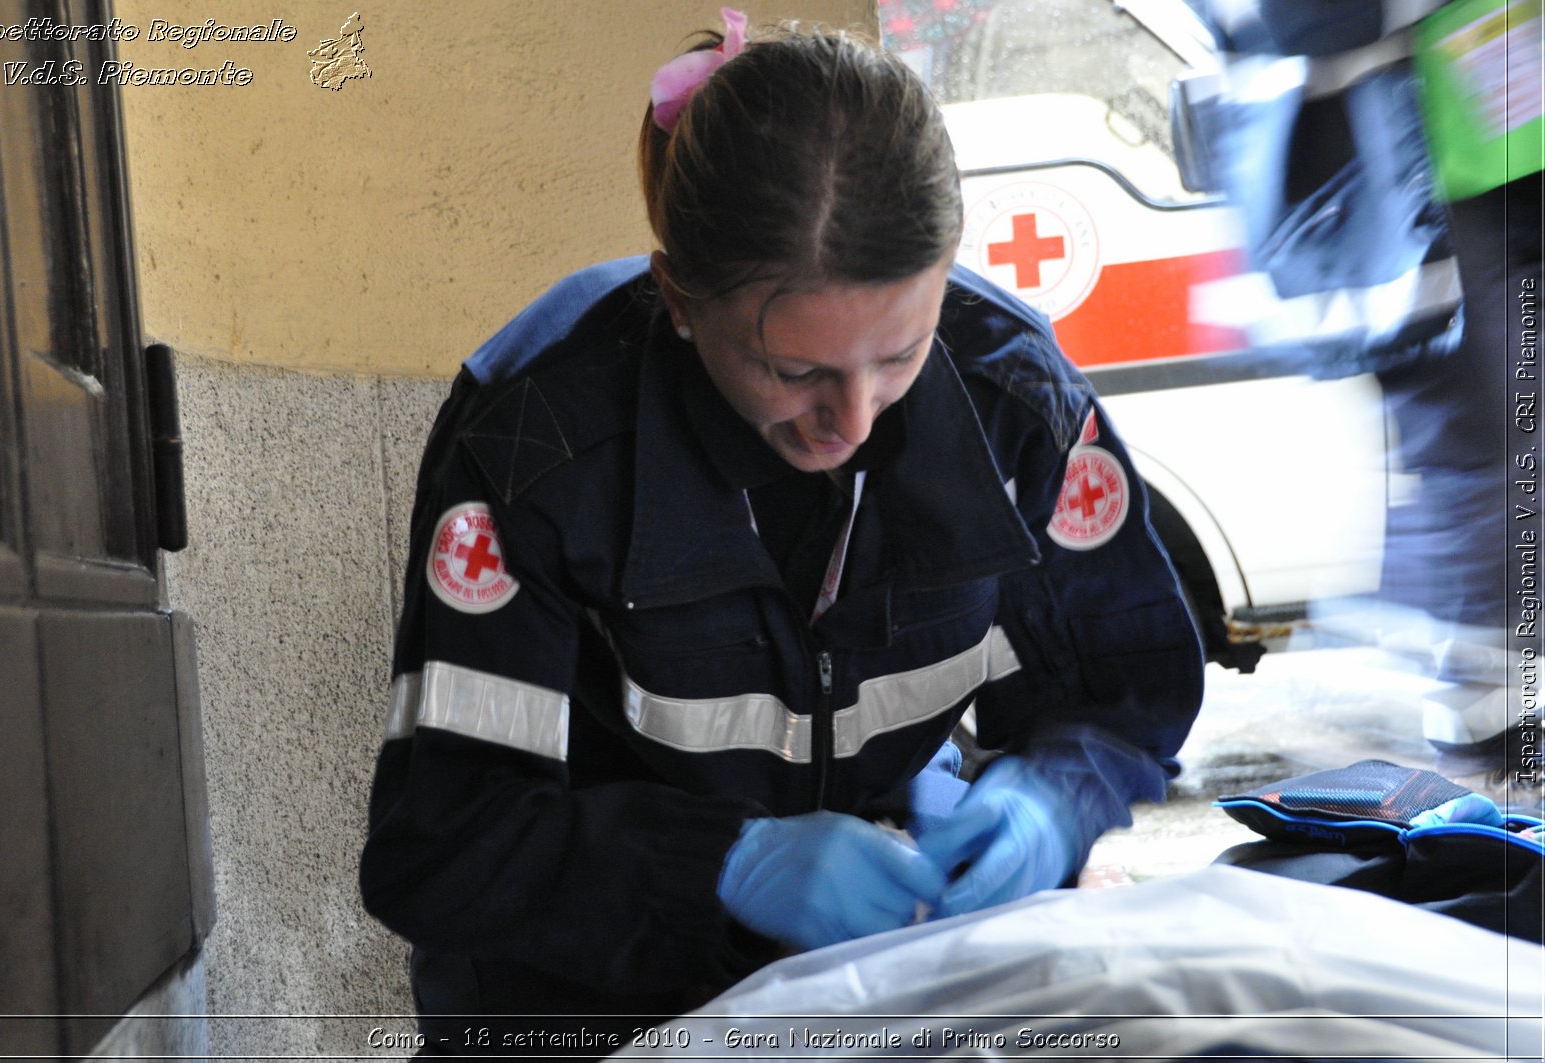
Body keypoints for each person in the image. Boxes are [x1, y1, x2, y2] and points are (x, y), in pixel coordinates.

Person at [359, 10, 1204, 1053]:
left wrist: (1053, 796)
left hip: (877, 982)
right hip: (572, 1006)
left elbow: (1119, 692)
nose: (851, 421)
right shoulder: (539, 446)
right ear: (678, 298)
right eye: (792, 371)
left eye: (898, 355)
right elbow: (442, 843)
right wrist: (721, 863)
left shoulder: (1014, 405)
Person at [1188, 0, 1541, 801]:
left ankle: (1468, 722)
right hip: (1415, 162)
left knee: (1489, 444)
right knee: (1480, 444)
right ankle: (1455, 730)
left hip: (1483, 142)